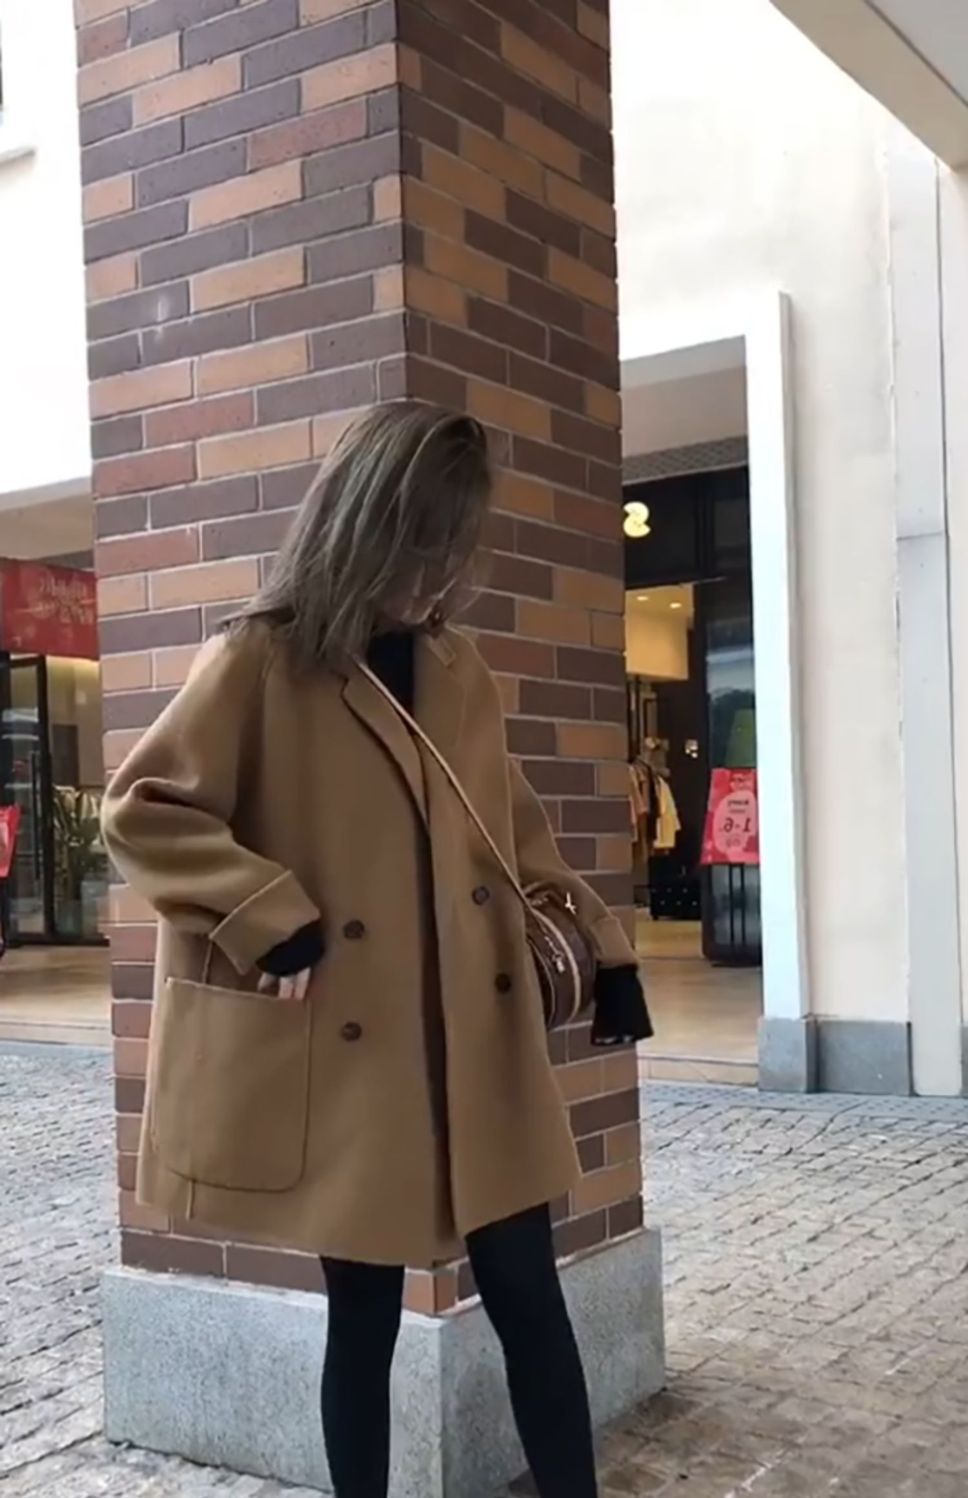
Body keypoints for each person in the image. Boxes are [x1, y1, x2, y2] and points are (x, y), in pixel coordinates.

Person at [101, 402, 651, 1498]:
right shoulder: (259, 659)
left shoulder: (457, 668)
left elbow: (511, 835)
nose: (437, 575)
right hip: (357, 1056)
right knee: (362, 1319)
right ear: (362, 525)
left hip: (476, 1044)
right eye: (419, 544)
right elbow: (143, 808)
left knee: (530, 1298)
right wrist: (266, 913)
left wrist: (606, 947)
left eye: (454, 548)